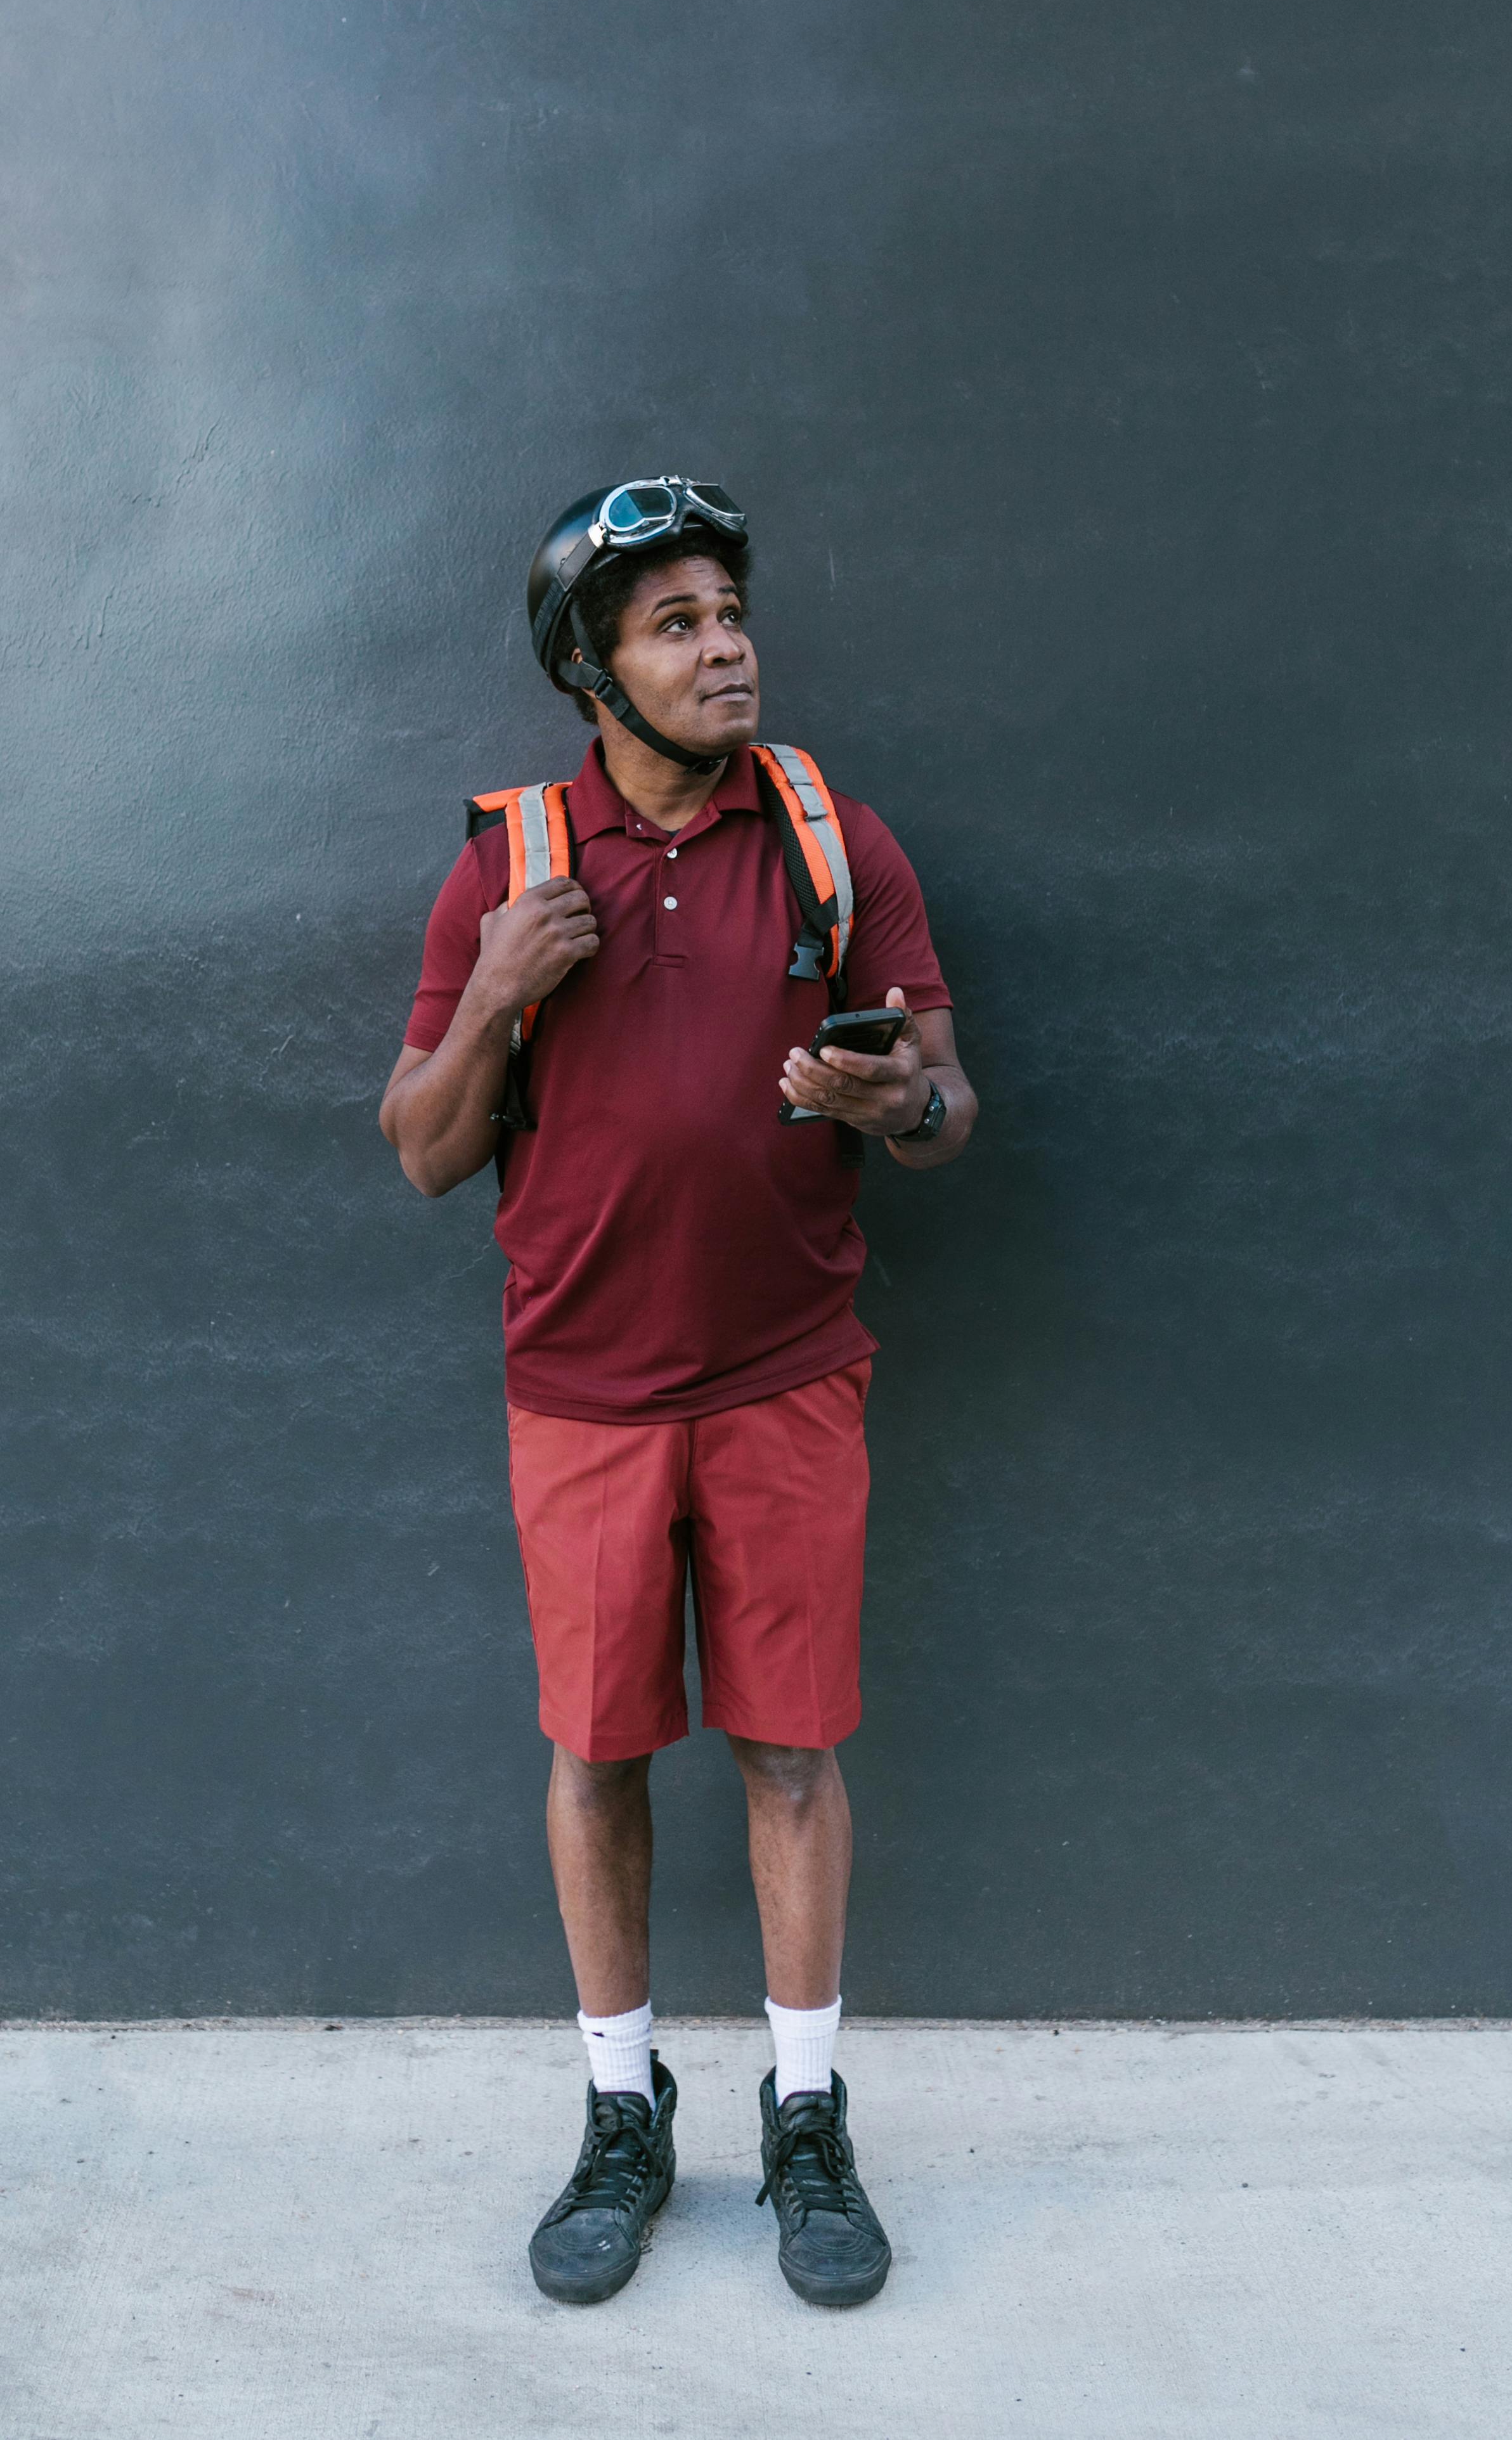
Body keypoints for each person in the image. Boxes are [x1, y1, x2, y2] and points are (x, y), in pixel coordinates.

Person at [378, 477, 976, 2308]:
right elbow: (420, 1156)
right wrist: (492, 996)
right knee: (599, 1752)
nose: (725, 647)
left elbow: (947, 1107)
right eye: (674, 624)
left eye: (729, 610)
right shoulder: (509, 863)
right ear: (593, 674)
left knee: (794, 1750)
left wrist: (901, 1107)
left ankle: (808, 2115)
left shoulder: (829, 838)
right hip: (582, 1397)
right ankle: (620, 2113)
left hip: (790, 1378)